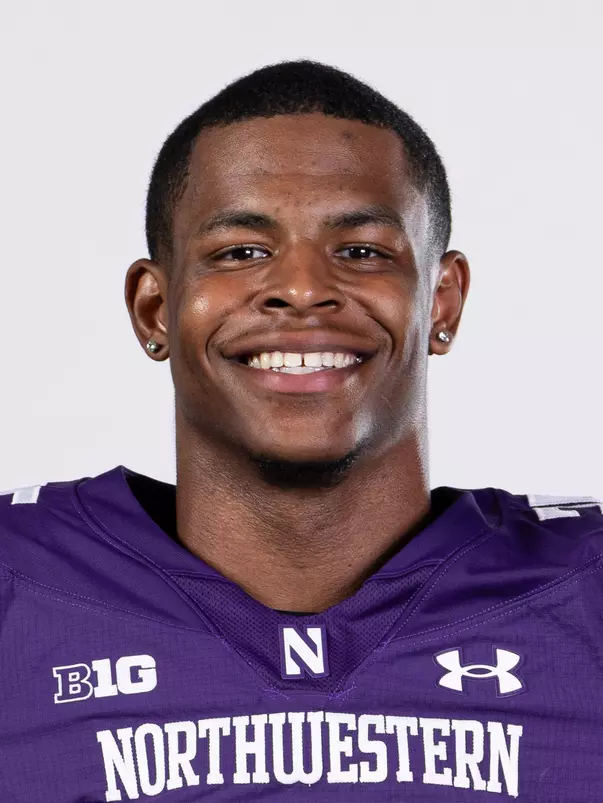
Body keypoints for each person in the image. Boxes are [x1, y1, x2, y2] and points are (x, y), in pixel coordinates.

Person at [0, 59, 601, 803]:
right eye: (241, 252)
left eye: (360, 251)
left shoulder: (584, 591)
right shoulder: (17, 587)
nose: (303, 288)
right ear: (155, 309)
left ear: (440, 302)